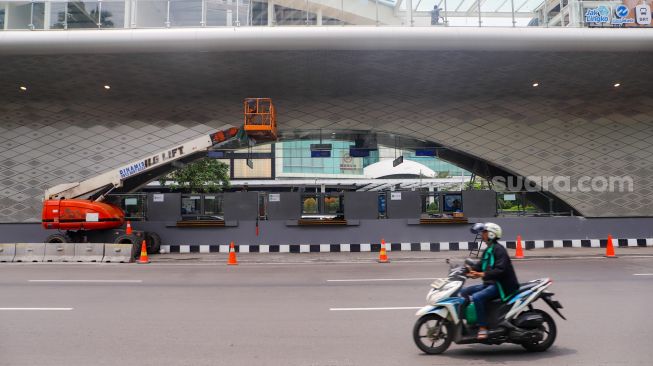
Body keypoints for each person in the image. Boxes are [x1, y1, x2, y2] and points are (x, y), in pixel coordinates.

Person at [460, 222, 519, 340]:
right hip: (490, 284)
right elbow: (480, 265)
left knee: (477, 297)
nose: (482, 235)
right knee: (464, 292)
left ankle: (482, 327)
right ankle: (470, 322)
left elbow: (500, 270)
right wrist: (468, 270)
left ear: (492, 234)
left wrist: (481, 274)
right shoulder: (488, 250)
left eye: (484, 232)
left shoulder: (499, 250)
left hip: (501, 285)